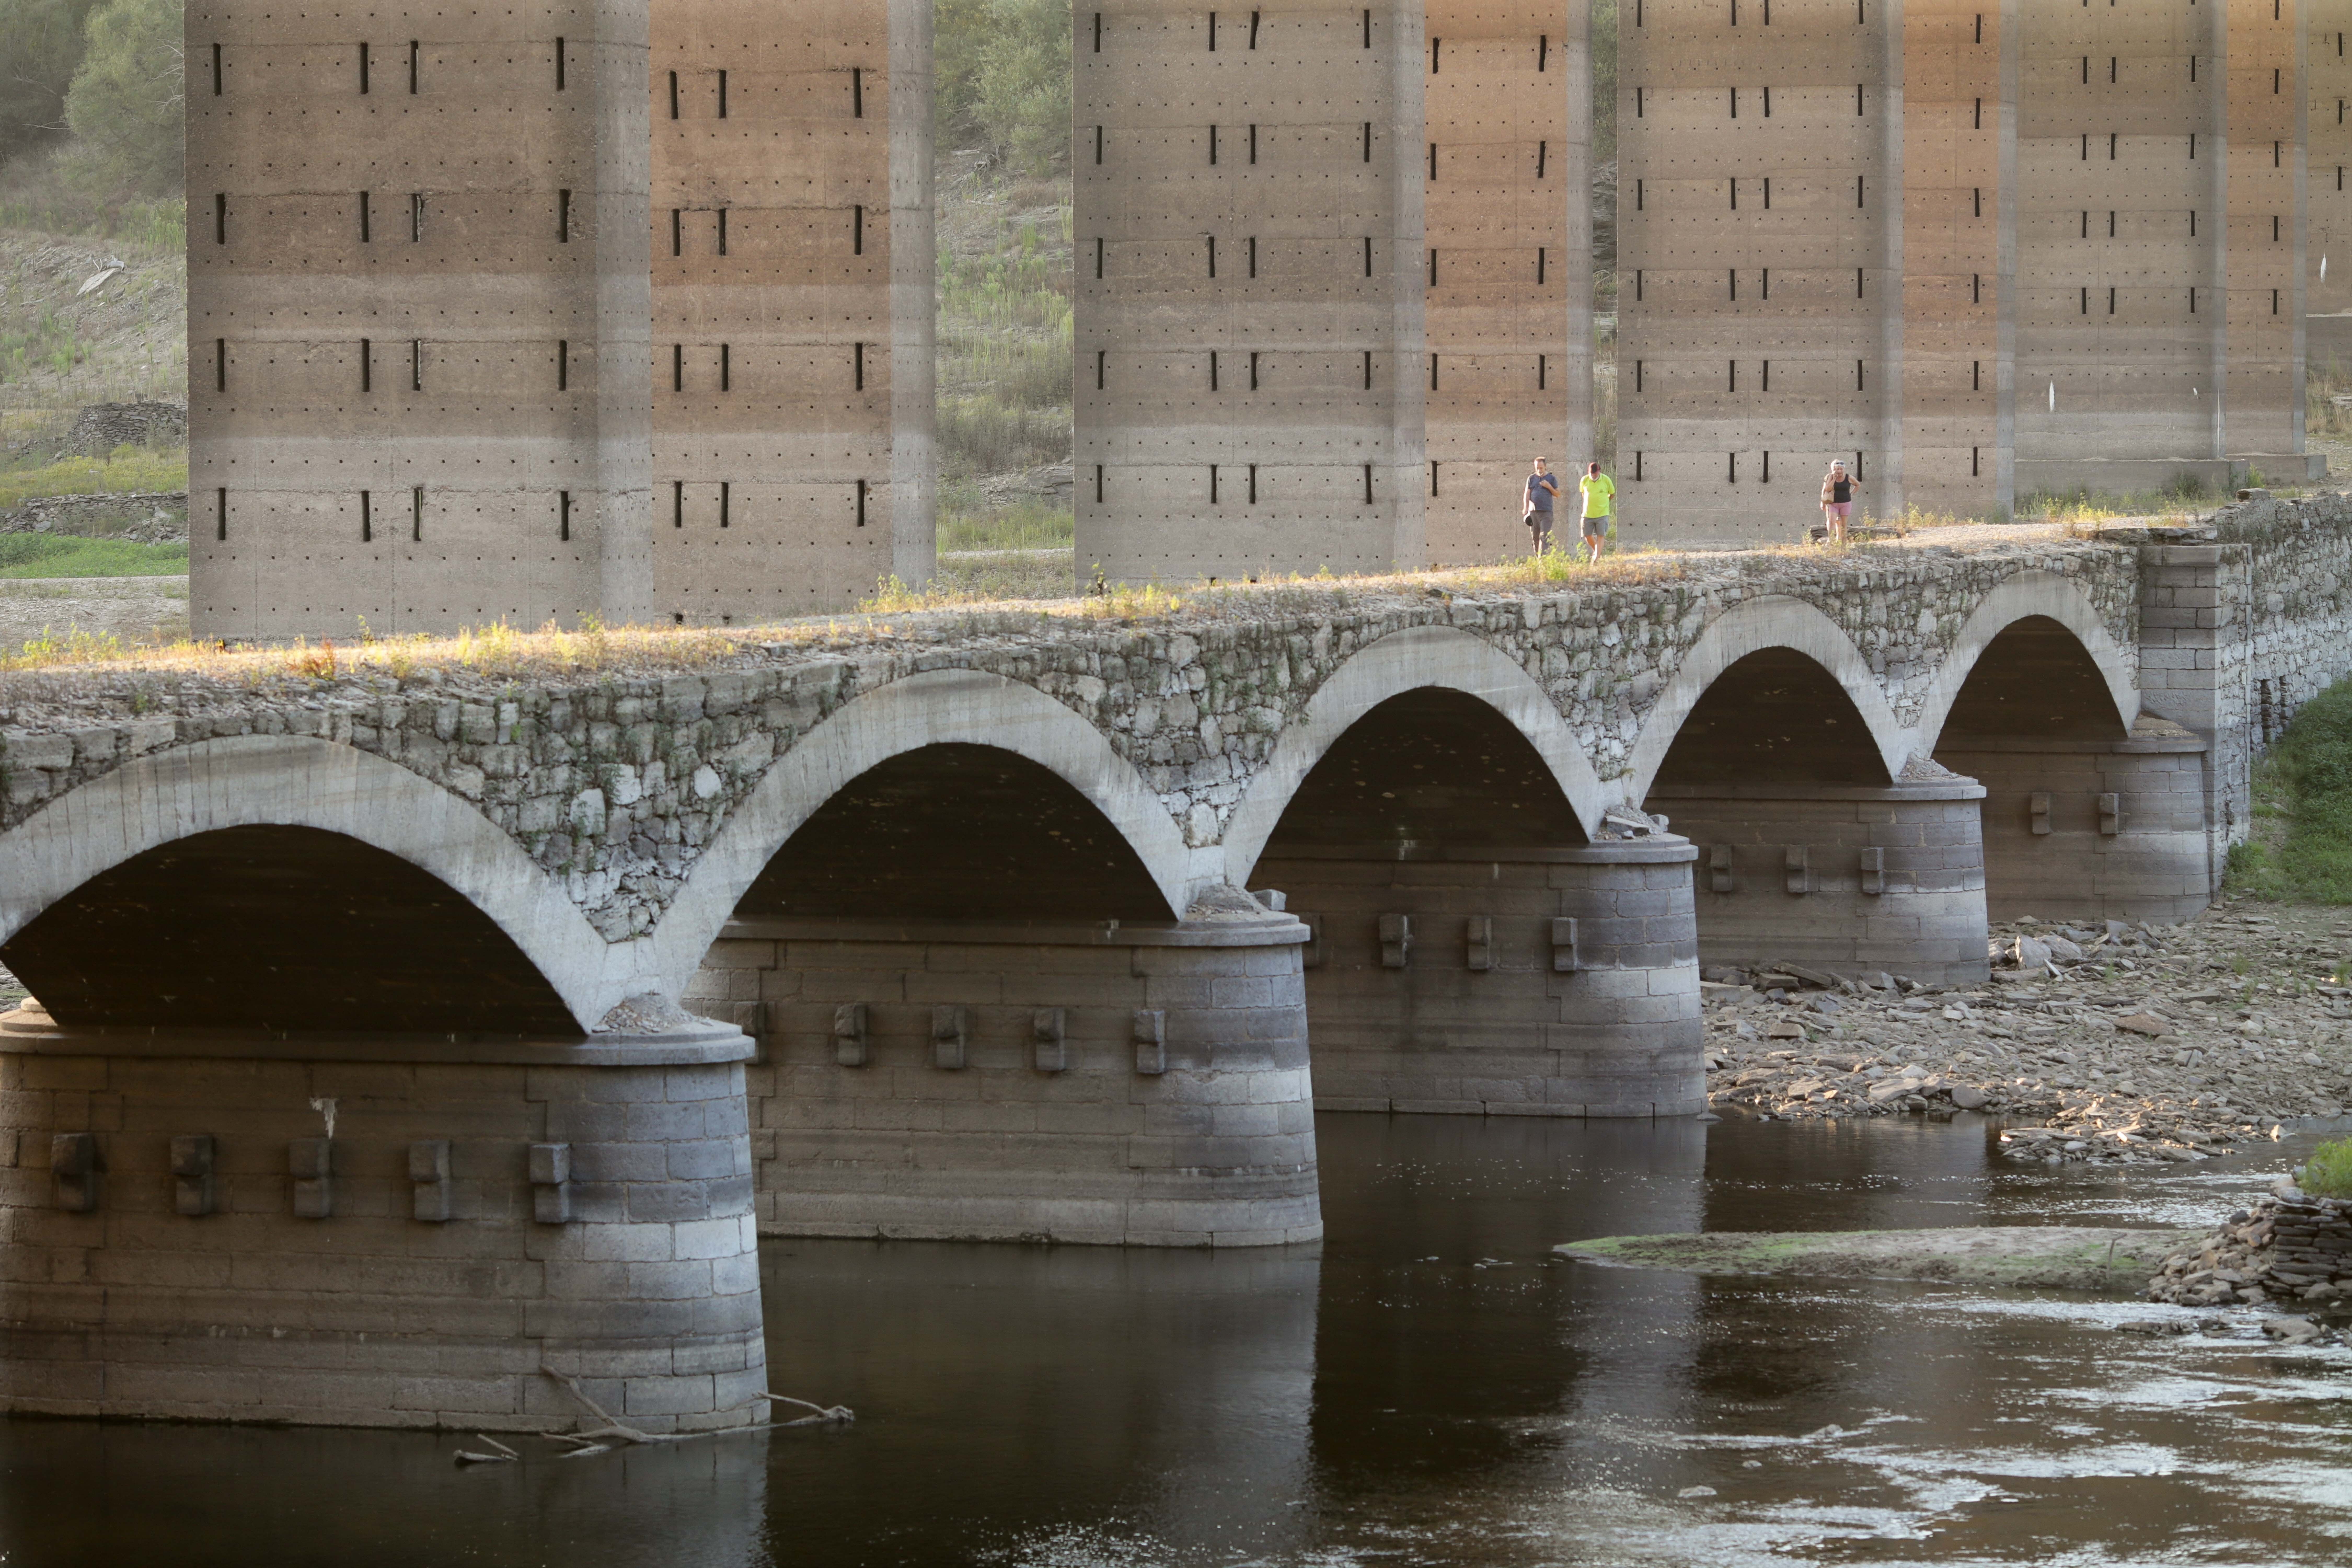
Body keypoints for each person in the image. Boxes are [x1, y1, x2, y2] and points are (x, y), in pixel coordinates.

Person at [1577, 462, 1615, 561]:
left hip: (1602, 513)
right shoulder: (1584, 480)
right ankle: (1598, 552)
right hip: (1587, 514)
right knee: (1587, 535)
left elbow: (1612, 494)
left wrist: (1605, 502)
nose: (1594, 476)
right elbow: (1583, 494)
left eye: (1596, 474)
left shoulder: (1606, 480)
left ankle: (1597, 558)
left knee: (1601, 535)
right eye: (1592, 474)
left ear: (1599, 472)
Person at [1524, 458, 1561, 554]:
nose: (1540, 470)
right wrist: (1526, 508)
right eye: (1538, 468)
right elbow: (1527, 494)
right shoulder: (1531, 478)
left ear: (1546, 467)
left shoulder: (1552, 479)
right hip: (1533, 512)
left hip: (1546, 512)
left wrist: (1549, 487)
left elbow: (1558, 494)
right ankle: (1538, 561)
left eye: (1541, 468)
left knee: (1544, 536)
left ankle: (1543, 561)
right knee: (1535, 538)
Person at [1819, 459, 1860, 544]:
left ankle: (1844, 542)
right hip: (1833, 503)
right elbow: (1827, 489)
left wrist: (1851, 494)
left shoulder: (1849, 477)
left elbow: (1858, 485)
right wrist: (1834, 480)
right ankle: (1831, 540)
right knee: (1832, 522)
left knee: (1843, 524)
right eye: (1838, 469)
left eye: (1841, 469)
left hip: (1845, 503)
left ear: (1844, 469)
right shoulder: (1830, 476)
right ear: (1834, 469)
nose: (1840, 471)